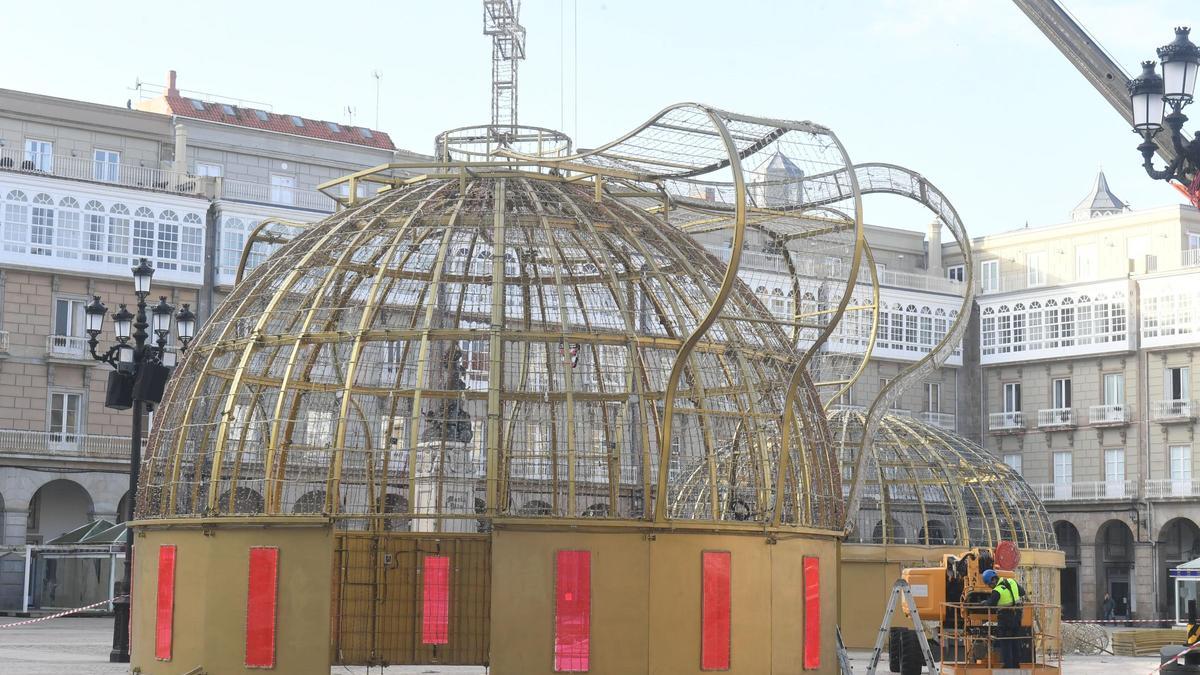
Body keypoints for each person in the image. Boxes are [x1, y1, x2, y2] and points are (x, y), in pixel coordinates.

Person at [983, 569, 1024, 669]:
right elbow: (1022, 592)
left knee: (1005, 643)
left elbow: (990, 604)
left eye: (989, 584)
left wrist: (983, 602)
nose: (989, 586)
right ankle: (1016, 666)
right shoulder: (1011, 581)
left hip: (1005, 619)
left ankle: (1008, 667)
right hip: (1017, 617)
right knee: (1015, 642)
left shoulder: (997, 591)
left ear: (993, 580)